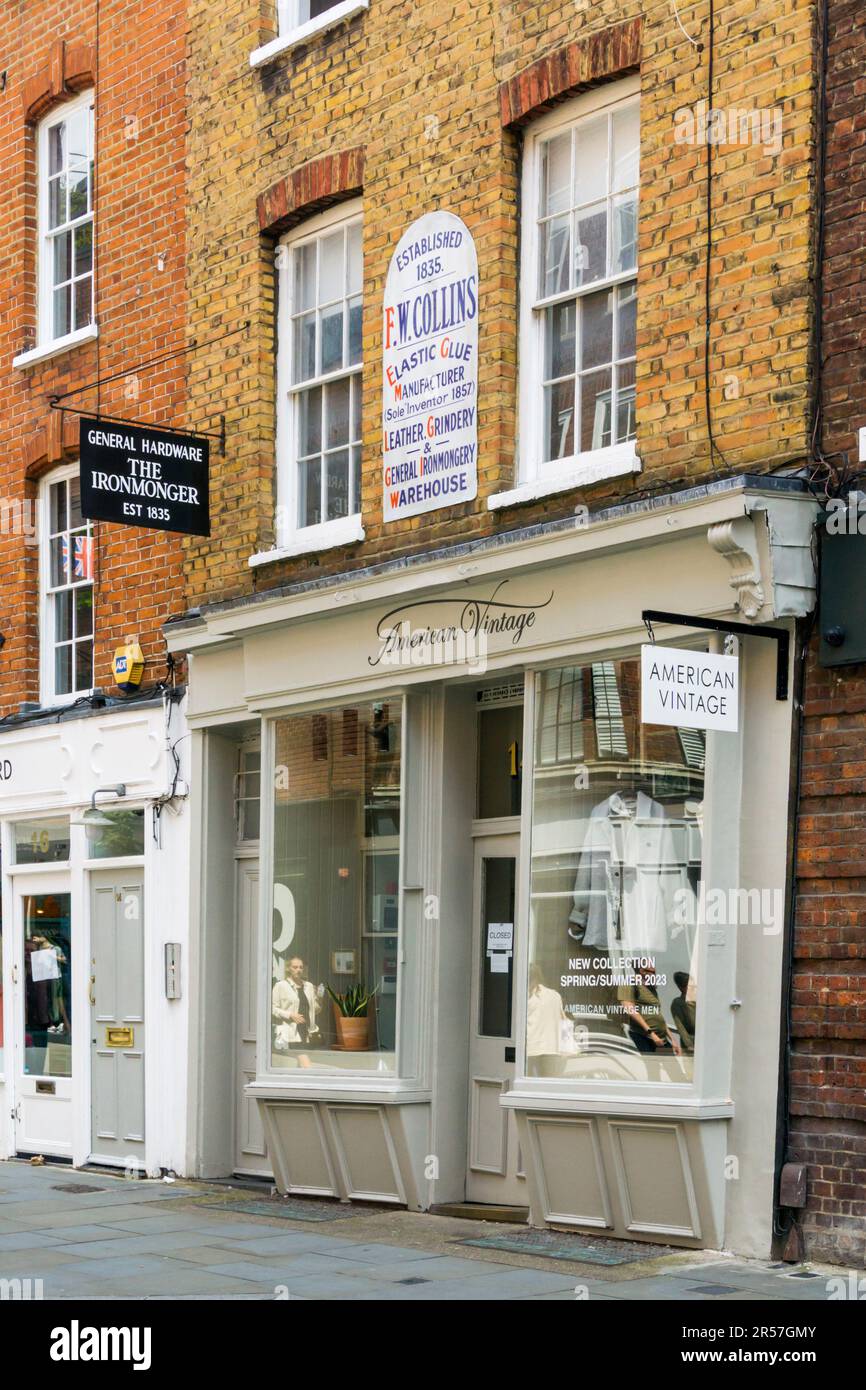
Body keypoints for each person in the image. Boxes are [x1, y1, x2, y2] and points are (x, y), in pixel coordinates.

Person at [617, 960, 675, 1054]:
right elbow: (630, 1010)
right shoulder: (630, 983)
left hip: (660, 1038)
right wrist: (651, 1033)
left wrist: (673, 1039)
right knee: (651, 1066)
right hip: (643, 1037)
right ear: (642, 971)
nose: (655, 974)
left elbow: (658, 1015)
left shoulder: (650, 988)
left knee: (672, 1066)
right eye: (653, 972)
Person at [272, 956, 320, 1067]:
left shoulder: (309, 986)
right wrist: (290, 1015)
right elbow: (272, 1008)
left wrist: (320, 998)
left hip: (308, 1031)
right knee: (307, 1066)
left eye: (301, 967)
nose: (298, 970)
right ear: (288, 969)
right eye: (295, 967)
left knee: (300, 1065)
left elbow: (315, 1010)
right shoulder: (280, 986)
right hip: (291, 1030)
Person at [526, 963, 567, 1077]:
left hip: (531, 1049)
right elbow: (563, 1021)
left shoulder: (526, 997)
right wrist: (565, 1046)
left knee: (527, 1088)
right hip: (552, 1050)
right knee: (547, 1088)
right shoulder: (555, 995)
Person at [671, 970, 696, 1054]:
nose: (694, 988)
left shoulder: (700, 1000)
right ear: (681, 988)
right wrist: (690, 1045)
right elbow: (681, 1028)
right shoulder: (678, 1003)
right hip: (692, 1046)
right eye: (690, 986)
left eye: (694, 985)